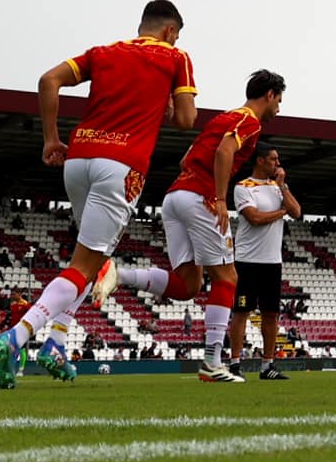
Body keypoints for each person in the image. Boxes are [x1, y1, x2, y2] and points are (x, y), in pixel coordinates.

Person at [0, 0, 197, 388]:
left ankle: (56, 341)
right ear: (170, 31)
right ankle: (19, 335)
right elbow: (187, 120)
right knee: (87, 263)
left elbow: (48, 80)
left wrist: (52, 139)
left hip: (79, 158)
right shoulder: (176, 57)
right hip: (122, 165)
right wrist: (168, 103)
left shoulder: (103, 52)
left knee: (92, 259)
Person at [111, 70, 287, 382]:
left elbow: (186, 160)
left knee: (188, 286)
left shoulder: (220, 119)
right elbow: (224, 152)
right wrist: (219, 198)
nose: (279, 109)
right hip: (201, 199)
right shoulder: (249, 121)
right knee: (227, 277)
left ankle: (117, 274)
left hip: (176, 196)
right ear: (270, 95)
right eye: (279, 100)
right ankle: (212, 363)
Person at [229, 143, 301, 379]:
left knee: (271, 314)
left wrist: (282, 187)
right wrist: (281, 213)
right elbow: (255, 218)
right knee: (241, 311)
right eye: (273, 159)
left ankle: (267, 366)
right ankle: (235, 363)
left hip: (272, 262)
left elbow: (297, 211)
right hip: (247, 261)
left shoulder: (277, 187)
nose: (277, 164)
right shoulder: (243, 187)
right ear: (260, 161)